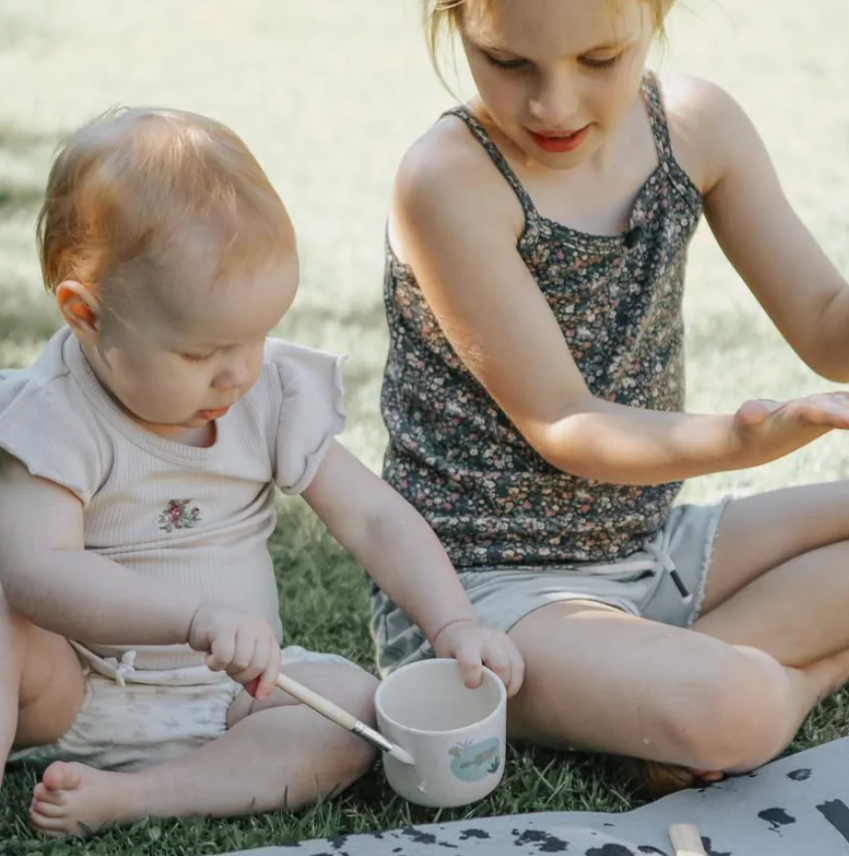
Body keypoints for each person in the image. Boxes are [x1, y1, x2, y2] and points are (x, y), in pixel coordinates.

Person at [0, 106, 524, 837]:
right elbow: (38, 571)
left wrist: (452, 621)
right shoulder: (53, 413)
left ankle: (140, 795)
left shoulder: (266, 391)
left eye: (257, 336)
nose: (239, 372)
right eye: (200, 353)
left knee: (352, 710)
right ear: (85, 316)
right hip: (74, 687)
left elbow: (373, 515)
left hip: (236, 692)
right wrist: (189, 619)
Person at [373, 0, 849, 797]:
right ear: (456, 26)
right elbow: (565, 421)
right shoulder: (448, 181)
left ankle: (662, 676)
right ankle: (768, 685)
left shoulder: (698, 126)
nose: (552, 105)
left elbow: (827, 327)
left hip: (649, 544)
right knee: (736, 706)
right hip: (482, 598)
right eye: (508, 62)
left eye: (598, 61)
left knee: (720, 682)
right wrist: (747, 442)